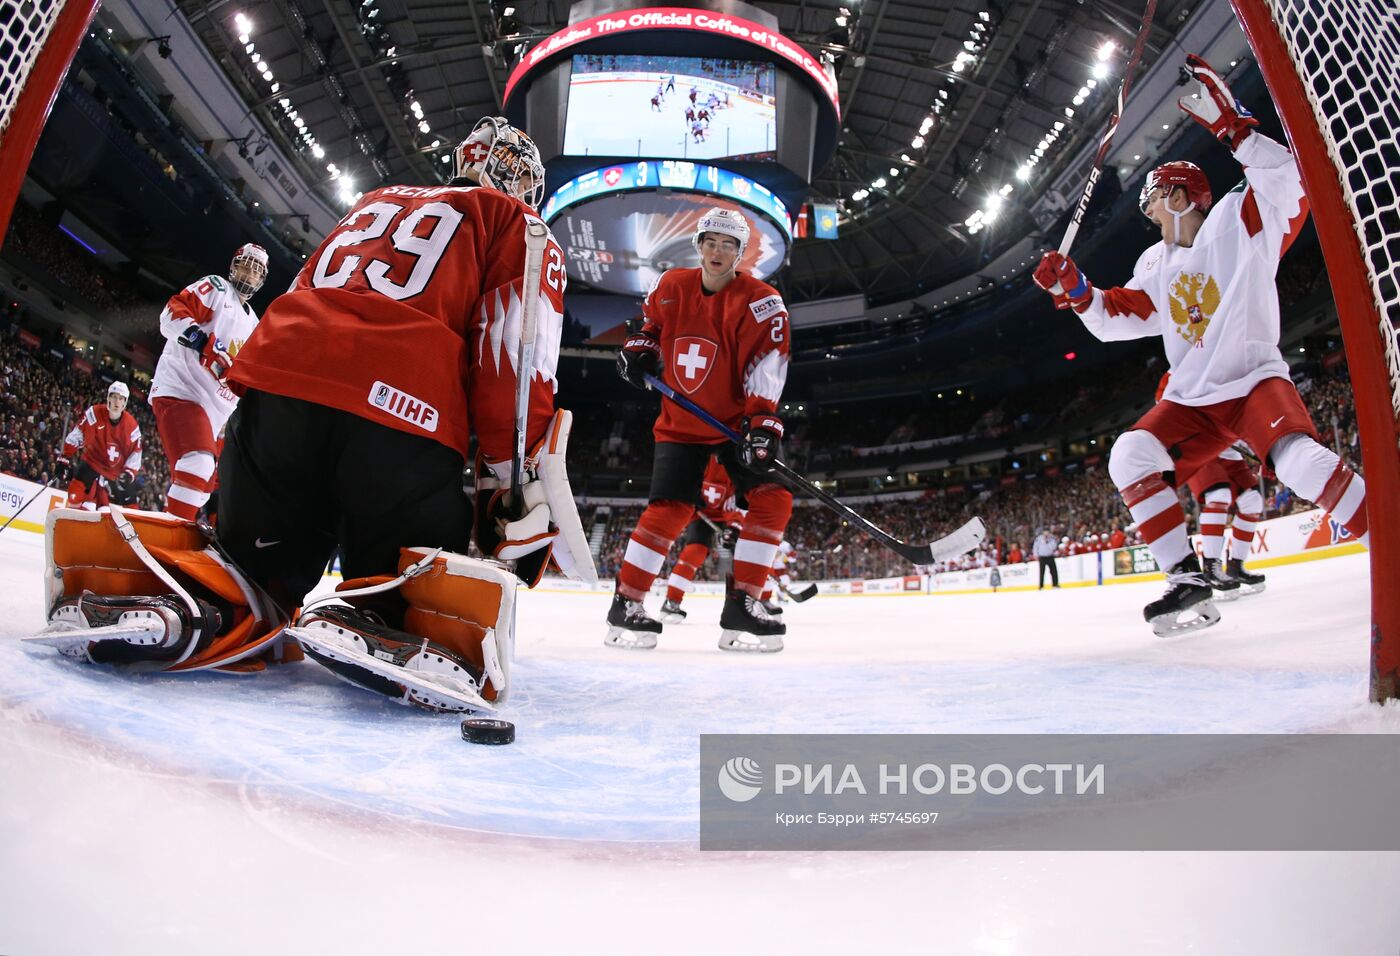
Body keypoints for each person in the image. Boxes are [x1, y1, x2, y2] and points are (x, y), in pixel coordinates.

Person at [214, 115, 596, 708]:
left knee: (253, 567)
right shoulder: (517, 222)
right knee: (400, 580)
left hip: (279, 383)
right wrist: (508, 481)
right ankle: (379, 610)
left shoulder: (375, 200)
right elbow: (515, 361)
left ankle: (221, 597)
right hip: (399, 407)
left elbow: (302, 289)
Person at [1034, 54, 1367, 635]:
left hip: (1253, 379)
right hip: (1192, 401)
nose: (1150, 209)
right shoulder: (1155, 262)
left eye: (1156, 197)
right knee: (1129, 455)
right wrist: (1075, 287)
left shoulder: (1238, 219)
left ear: (1184, 196)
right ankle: (1188, 582)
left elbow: (1288, 178)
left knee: (1298, 462)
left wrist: (1234, 129)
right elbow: (1117, 315)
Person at [609, 206, 792, 653]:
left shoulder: (763, 301)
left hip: (733, 423)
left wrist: (762, 423)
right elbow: (650, 326)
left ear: (740, 253)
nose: (717, 251)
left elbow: (767, 365)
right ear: (699, 246)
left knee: (774, 499)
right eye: (710, 242)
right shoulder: (671, 285)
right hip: (681, 421)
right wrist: (640, 349)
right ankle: (626, 604)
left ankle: (742, 605)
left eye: (728, 244)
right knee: (669, 509)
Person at [151, 242, 268, 520]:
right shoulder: (216, 288)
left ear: (261, 280)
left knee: (208, 487)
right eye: (244, 265)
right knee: (197, 464)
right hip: (183, 390)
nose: (248, 274)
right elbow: (170, 314)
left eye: (256, 271)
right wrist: (200, 340)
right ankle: (169, 537)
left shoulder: (256, 324)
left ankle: (190, 536)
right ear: (233, 266)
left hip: (216, 417)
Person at [658, 454, 741, 623]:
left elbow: (740, 500)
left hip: (729, 512)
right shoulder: (701, 454)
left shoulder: (740, 461)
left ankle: (753, 601)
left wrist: (734, 526)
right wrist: (688, 496)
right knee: (696, 550)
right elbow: (680, 475)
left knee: (747, 550)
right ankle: (671, 600)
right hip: (700, 512)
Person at [1187, 446, 1267, 596]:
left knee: (1252, 502)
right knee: (1218, 495)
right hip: (1199, 446)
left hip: (1230, 452)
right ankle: (1210, 568)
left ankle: (1236, 566)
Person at [57, 381, 142, 510]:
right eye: (113, 397)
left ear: (125, 403)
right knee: (74, 495)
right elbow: (78, 434)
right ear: (108, 398)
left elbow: (136, 452)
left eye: (120, 398)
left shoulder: (131, 426)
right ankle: (78, 520)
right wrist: (65, 458)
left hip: (117, 473)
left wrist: (129, 472)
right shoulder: (94, 413)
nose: (116, 402)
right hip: (92, 463)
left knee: (131, 508)